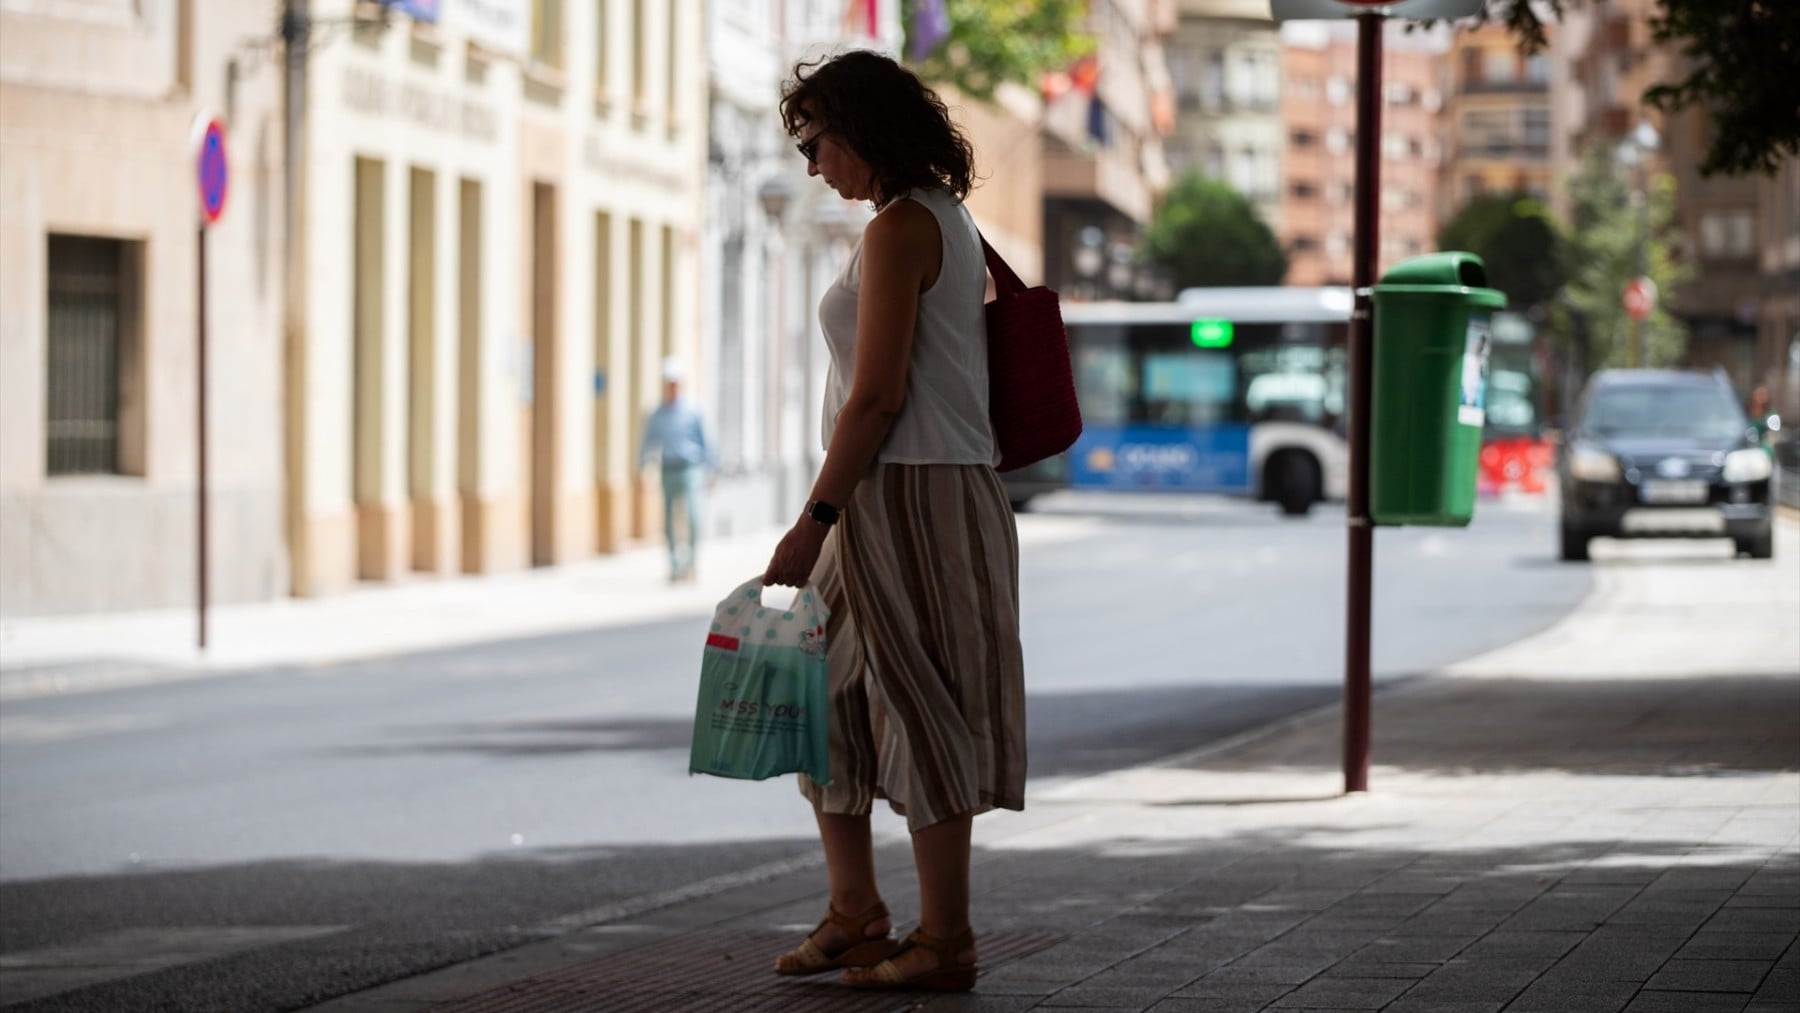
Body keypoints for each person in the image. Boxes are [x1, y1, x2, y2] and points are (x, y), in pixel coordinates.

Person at [760, 50, 1026, 993]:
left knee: (920, 705)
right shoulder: (918, 219)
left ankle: (946, 937)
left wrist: (812, 520)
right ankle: (856, 910)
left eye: (817, 143)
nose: (812, 166)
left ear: (864, 130)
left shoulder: (905, 227)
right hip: (889, 492)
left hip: (914, 492)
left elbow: (876, 398)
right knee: (821, 693)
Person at [638, 357, 715, 583]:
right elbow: (647, 442)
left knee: (692, 516)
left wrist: (712, 470)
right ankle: (674, 565)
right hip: (668, 469)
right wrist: (642, 468)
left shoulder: (694, 410)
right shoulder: (658, 413)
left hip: (690, 469)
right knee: (669, 519)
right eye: (669, 382)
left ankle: (690, 564)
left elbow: (707, 441)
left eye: (676, 382)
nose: (673, 387)